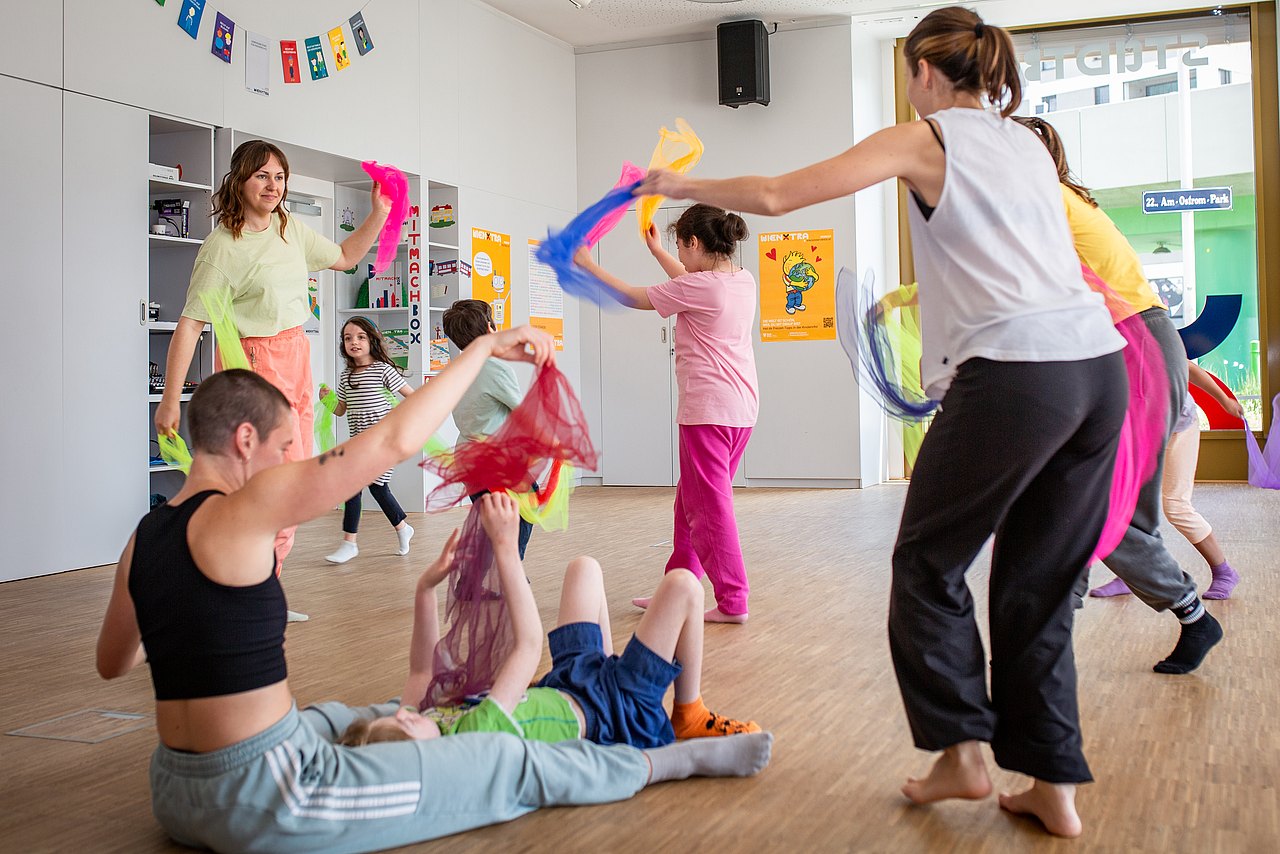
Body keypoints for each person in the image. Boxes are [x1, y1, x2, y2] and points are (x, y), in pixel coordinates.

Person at [635, 6, 1132, 838]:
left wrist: (678, 186)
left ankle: (964, 755)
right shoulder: (1022, 141)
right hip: (1097, 370)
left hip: (1017, 376)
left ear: (924, 74)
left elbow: (775, 195)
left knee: (927, 564)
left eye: (909, 77)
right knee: (1037, 585)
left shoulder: (929, 135)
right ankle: (1054, 787)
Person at [97, 327, 772, 854]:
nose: (287, 462)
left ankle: (403, 721)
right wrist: (481, 348)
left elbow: (116, 661)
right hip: (266, 792)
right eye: (281, 447)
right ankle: (667, 764)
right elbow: (392, 439)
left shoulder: (145, 535)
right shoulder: (246, 504)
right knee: (495, 760)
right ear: (244, 441)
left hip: (173, 786)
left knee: (355, 713)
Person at [1013, 116, 1230, 651]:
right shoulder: (1065, 200)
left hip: (1135, 346)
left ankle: (1189, 613)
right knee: (1111, 503)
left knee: (1093, 498)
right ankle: (1057, 625)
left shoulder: (1050, 204)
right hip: (1137, 343)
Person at [153, 140, 391, 618]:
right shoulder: (223, 247)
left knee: (292, 485)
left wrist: (380, 213)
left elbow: (344, 256)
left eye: (279, 177)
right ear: (239, 180)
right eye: (262, 175)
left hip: (296, 357)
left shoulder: (289, 228)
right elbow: (190, 323)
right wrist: (170, 400)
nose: (272, 185)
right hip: (254, 366)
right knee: (268, 487)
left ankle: (264, 591)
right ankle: (237, 591)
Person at [340, 492, 760, 749]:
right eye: (403, 729)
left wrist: (426, 588)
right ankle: (689, 712)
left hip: (570, 681)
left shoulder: (430, 719)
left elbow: (419, 668)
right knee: (684, 586)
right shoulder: (474, 735)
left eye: (396, 718)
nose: (405, 716)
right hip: (615, 710)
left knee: (584, 568)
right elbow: (527, 644)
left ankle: (615, 665)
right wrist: (506, 547)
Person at [574, 205, 758, 623]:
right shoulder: (740, 280)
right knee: (690, 503)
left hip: (708, 411)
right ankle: (678, 589)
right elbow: (693, 282)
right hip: (740, 408)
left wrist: (588, 264)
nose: (679, 253)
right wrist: (658, 250)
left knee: (710, 507)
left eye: (680, 246)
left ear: (694, 243)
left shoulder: (703, 288)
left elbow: (633, 297)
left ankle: (733, 600)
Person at [1091, 360, 1243, 599]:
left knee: (1176, 506)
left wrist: (1224, 400)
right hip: (1140, 430)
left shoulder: (1147, 335)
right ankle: (1130, 576)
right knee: (1125, 504)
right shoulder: (1099, 349)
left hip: (1179, 428)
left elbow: (1190, 369)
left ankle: (1224, 572)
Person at [441, 299, 535, 559]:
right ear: (490, 327)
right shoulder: (495, 368)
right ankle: (510, 575)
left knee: (488, 523)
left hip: (467, 458)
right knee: (524, 512)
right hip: (496, 459)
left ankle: (468, 584)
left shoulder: (457, 366)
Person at [320, 317, 416, 564]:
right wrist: (327, 400)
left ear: (372, 340)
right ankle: (402, 527)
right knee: (377, 488)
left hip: (383, 443)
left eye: (361, 337)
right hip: (359, 444)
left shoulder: (383, 370)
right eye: (348, 338)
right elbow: (341, 410)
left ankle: (349, 543)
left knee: (355, 486)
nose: (354, 342)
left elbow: (412, 397)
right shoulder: (346, 376)